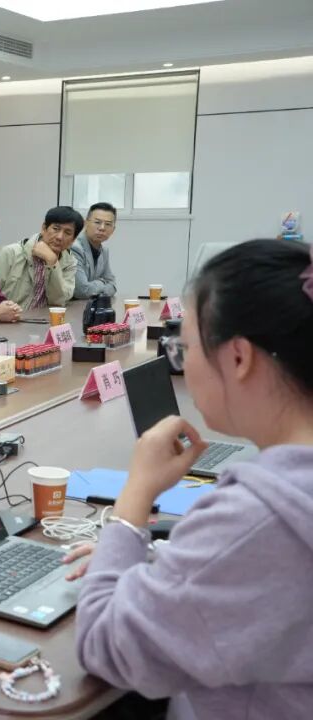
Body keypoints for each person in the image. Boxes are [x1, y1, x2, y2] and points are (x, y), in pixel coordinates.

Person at [64, 239, 313, 719]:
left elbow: (105, 644)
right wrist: (176, 566)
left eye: (186, 348)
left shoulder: (260, 517)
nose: (183, 362)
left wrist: (134, 498)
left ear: (238, 358)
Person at [0, 206, 82, 310]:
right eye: (56, 229)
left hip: (44, 319)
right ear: (44, 228)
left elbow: (59, 301)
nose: (59, 237)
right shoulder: (11, 253)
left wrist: (52, 262)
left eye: (67, 233)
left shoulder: (69, 262)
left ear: (73, 239)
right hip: (9, 317)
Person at [71, 202, 119, 299]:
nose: (102, 228)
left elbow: (113, 286)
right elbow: (82, 291)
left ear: (113, 230)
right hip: (70, 306)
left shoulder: (104, 251)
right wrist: (102, 282)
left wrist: (94, 288)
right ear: (86, 223)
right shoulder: (75, 248)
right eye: (97, 222)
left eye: (108, 224)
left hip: (89, 305)